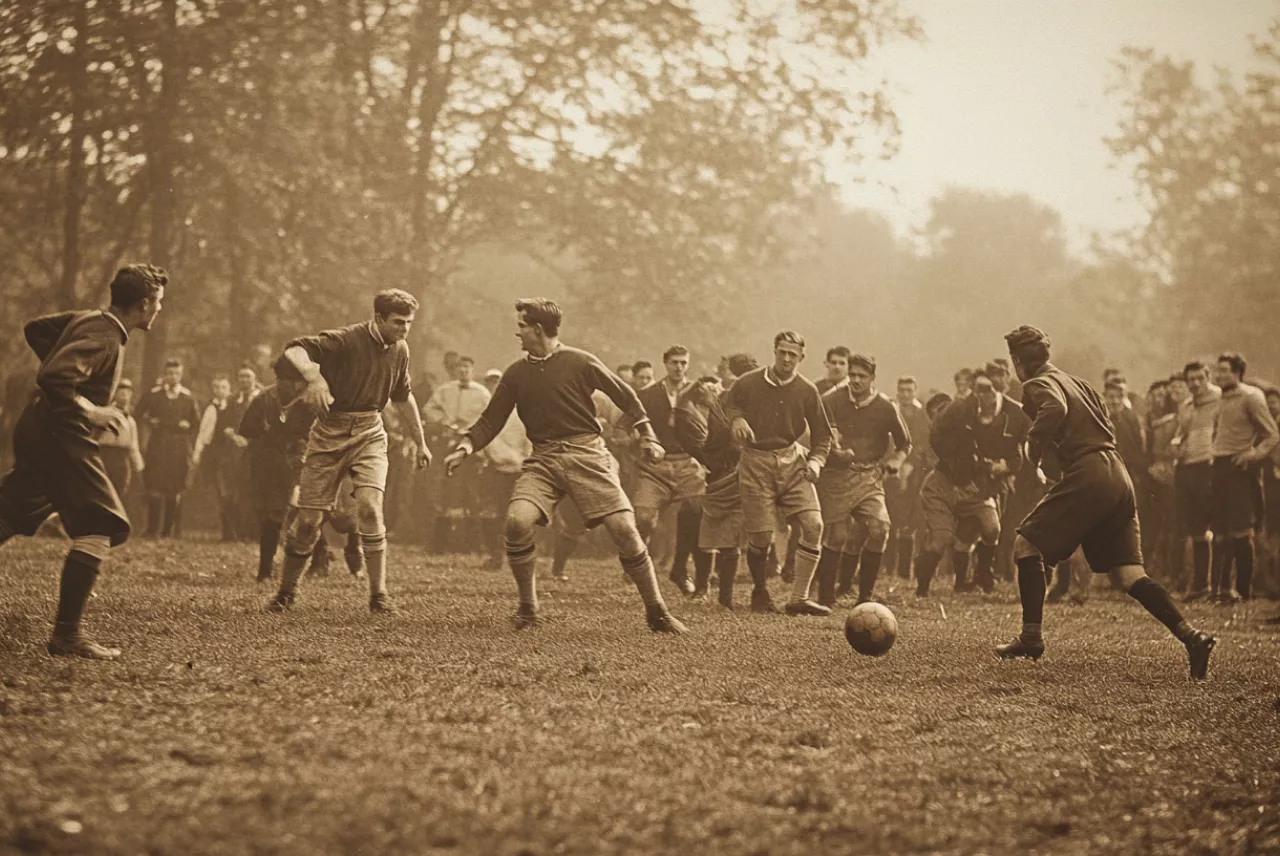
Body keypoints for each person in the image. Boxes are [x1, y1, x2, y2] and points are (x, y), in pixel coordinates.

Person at [443, 298, 686, 633]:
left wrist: (647, 434)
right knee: (516, 521)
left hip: (588, 455)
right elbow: (491, 419)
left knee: (625, 530)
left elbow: (627, 396)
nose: (518, 332)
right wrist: (466, 446)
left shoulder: (580, 361)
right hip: (543, 459)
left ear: (539, 330)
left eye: (522, 326)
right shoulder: (516, 373)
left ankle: (657, 612)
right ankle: (528, 609)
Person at [995, 326, 1216, 680]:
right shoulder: (1080, 382)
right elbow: (1105, 425)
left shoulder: (1036, 384)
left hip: (1090, 473)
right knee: (1129, 575)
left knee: (1025, 545)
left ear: (1018, 361)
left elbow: (1053, 407)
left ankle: (1030, 639)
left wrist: (1032, 453)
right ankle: (1193, 637)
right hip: (1117, 475)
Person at [0, 264, 167, 659]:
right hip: (63, 434)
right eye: (158, 303)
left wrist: (75, 377)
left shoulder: (91, 319)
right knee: (100, 524)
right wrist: (90, 408)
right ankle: (67, 636)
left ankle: (68, 634)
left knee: (9, 511)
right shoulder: (105, 335)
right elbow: (56, 375)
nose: (160, 310)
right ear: (144, 304)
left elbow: (36, 329)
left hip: (39, 428)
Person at [264, 289, 432, 614]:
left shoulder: (401, 349)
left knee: (369, 509)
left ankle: (379, 596)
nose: (404, 329)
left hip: (370, 431)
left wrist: (421, 441)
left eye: (409, 322)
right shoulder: (346, 339)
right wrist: (315, 379)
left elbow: (402, 397)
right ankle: (286, 592)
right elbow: (294, 350)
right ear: (379, 317)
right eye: (398, 322)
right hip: (329, 433)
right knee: (309, 522)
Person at [722, 331, 833, 615]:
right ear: (774, 351)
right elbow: (729, 402)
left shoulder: (807, 390)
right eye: (781, 352)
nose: (786, 358)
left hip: (792, 459)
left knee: (814, 525)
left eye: (792, 354)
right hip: (755, 461)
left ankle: (799, 598)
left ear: (802, 357)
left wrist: (817, 462)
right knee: (761, 537)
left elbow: (822, 435)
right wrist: (737, 419)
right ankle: (760, 591)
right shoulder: (749, 381)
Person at [814, 353, 911, 606]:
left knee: (880, 529)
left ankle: (864, 596)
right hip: (836, 476)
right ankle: (825, 597)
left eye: (862, 376)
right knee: (837, 535)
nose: (855, 380)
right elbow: (820, 436)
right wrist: (833, 450)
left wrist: (895, 462)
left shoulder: (886, 406)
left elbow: (905, 443)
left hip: (870, 476)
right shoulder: (831, 400)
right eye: (852, 375)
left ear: (873, 379)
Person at [239, 358, 348, 582]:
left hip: (303, 463)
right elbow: (246, 429)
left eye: (296, 381)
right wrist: (264, 432)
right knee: (270, 515)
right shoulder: (264, 399)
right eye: (286, 380)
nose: (291, 386)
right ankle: (266, 569)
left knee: (308, 512)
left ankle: (318, 560)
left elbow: (324, 432)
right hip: (269, 465)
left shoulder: (311, 401)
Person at [634, 345, 707, 595]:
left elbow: (715, 419)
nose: (679, 367)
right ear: (665, 363)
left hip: (688, 463)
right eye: (674, 362)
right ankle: (637, 562)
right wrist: (643, 439)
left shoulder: (699, 391)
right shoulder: (648, 394)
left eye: (683, 363)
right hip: (657, 466)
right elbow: (627, 425)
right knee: (642, 518)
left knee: (697, 512)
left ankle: (683, 571)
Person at [1208, 352, 1279, 601]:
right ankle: (1223, 591)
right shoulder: (1219, 398)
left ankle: (1244, 591)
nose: (1219, 375)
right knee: (1221, 531)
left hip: (1239, 467)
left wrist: (1252, 454)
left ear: (1238, 372)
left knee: (1241, 531)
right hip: (1218, 465)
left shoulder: (1251, 396)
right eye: (1217, 370)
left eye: (1225, 370)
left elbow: (1271, 434)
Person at [675, 372, 747, 605]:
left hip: (735, 478)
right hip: (712, 478)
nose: (715, 392)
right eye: (710, 390)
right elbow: (706, 452)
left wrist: (713, 402)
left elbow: (735, 445)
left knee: (728, 537)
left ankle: (722, 595)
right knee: (703, 529)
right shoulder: (691, 416)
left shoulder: (730, 408)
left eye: (716, 388)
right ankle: (701, 587)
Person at [136, 358, 199, 538]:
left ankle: (167, 531)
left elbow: (197, 423)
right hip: (158, 446)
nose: (172, 377)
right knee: (155, 486)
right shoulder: (154, 394)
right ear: (165, 375)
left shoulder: (188, 397)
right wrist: (149, 421)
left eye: (176, 373)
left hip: (178, 448)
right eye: (169, 373)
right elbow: (138, 413)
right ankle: (152, 529)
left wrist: (187, 426)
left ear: (181, 375)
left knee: (174, 488)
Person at [1174, 361, 1221, 601]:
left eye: (1199, 379)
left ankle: (1219, 586)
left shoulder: (1220, 400)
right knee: (1196, 528)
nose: (1195, 384)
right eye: (1190, 380)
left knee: (1216, 527)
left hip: (1211, 467)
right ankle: (1200, 584)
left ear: (1208, 377)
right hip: (1188, 468)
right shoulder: (1186, 405)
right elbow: (1180, 435)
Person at [192, 375, 251, 541]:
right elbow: (205, 434)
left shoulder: (235, 406)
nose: (220, 391)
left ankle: (237, 532)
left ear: (229, 389)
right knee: (223, 493)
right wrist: (199, 454)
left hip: (236, 456)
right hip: (218, 456)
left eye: (223, 387)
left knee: (236, 493)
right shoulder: (212, 408)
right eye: (216, 387)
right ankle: (228, 532)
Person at [887, 375, 930, 580]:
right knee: (889, 518)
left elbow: (922, 443)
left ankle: (905, 571)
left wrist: (911, 463)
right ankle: (886, 568)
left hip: (915, 473)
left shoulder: (921, 415)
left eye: (909, 390)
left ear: (914, 391)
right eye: (902, 390)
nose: (905, 394)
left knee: (909, 522)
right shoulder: (890, 410)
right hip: (890, 470)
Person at [96, 379, 145, 501]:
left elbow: (134, 447)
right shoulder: (104, 414)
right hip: (104, 456)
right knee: (102, 494)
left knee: (119, 497)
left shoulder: (131, 421)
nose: (124, 396)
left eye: (128, 393)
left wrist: (139, 469)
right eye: (121, 392)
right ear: (115, 394)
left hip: (122, 460)